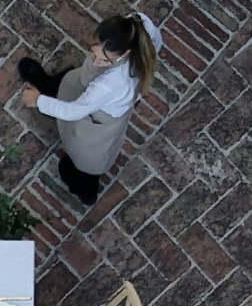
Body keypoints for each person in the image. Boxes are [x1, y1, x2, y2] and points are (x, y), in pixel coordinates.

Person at [15, 13, 158, 208]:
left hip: (95, 119)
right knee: (70, 85)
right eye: (93, 52)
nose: (96, 60)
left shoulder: (109, 84)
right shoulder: (138, 31)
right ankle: (50, 87)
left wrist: (38, 101)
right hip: (87, 91)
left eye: (105, 59)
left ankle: (86, 187)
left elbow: (74, 111)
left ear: (124, 53)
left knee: (86, 157)